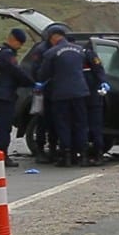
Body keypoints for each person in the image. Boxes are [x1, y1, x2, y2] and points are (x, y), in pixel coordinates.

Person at [37, 24, 90, 167]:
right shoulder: (80, 50)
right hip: (80, 92)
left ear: (54, 38)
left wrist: (41, 84)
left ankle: (65, 156)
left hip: (61, 94)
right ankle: (83, 155)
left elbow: (43, 74)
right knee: (80, 124)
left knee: (63, 125)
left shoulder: (51, 53)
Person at [0, 28, 36, 167]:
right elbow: (16, 72)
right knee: (3, 127)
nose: (20, 47)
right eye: (20, 43)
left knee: (0, 127)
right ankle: (1, 156)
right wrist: (32, 83)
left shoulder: (0, 51)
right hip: (4, 95)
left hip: (1, 94)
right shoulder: (6, 54)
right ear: (13, 39)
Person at [27, 35, 58, 164]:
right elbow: (35, 70)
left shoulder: (54, 48)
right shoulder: (41, 50)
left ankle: (52, 150)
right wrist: (40, 83)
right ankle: (40, 150)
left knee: (53, 122)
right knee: (42, 122)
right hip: (43, 91)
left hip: (55, 91)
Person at [82, 47, 110, 166]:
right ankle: (97, 154)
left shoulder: (77, 55)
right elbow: (99, 70)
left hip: (80, 97)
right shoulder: (88, 53)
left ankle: (83, 155)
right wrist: (103, 82)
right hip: (92, 98)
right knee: (95, 127)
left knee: (82, 127)